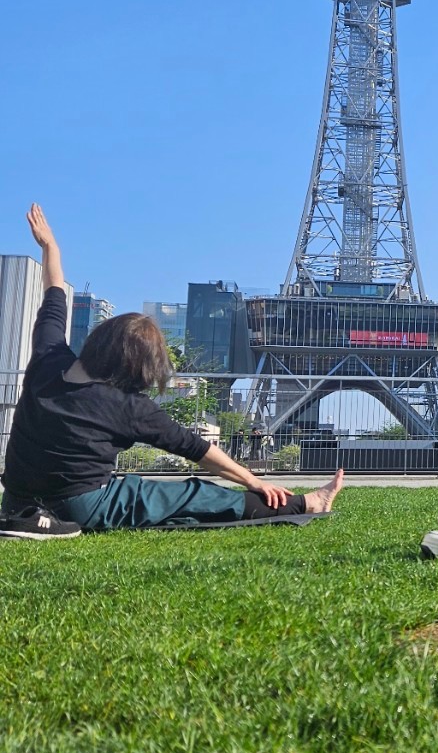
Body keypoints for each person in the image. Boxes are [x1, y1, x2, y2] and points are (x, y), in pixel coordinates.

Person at [0, 205, 344, 533]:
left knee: (139, 490)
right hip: (77, 506)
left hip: (15, 501)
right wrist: (253, 481)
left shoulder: (48, 358)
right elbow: (197, 449)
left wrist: (50, 246)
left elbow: (54, 295)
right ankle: (305, 504)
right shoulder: (128, 407)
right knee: (191, 494)